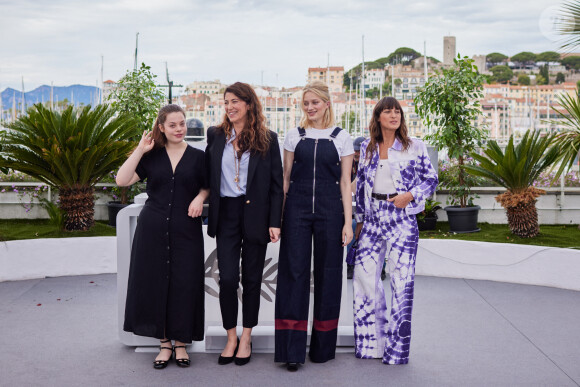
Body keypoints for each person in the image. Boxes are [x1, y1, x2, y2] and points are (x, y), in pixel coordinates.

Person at [118, 104, 208, 369]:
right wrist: (139, 149)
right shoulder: (151, 156)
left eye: (182, 124)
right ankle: (164, 344)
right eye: (173, 125)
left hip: (186, 228)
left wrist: (200, 198)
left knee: (184, 283)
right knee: (156, 284)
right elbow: (122, 180)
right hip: (153, 229)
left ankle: (182, 343)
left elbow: (209, 186)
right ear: (161, 128)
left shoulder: (198, 156)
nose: (180, 129)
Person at [275, 81, 354, 372]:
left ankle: (322, 349)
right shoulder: (293, 135)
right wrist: (278, 218)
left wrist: (348, 221)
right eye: (306, 103)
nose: (310, 108)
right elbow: (285, 179)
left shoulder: (342, 137)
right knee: (292, 275)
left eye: (315, 103)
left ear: (327, 104)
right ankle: (292, 351)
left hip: (331, 211)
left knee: (329, 276)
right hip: (295, 211)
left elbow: (346, 183)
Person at [352, 97, 438, 364]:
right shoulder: (367, 146)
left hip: (401, 216)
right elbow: (360, 185)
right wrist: (358, 222)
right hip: (372, 218)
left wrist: (409, 195)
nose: (393, 115)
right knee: (364, 278)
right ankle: (370, 344)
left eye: (397, 111)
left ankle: (396, 350)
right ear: (378, 117)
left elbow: (431, 178)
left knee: (401, 283)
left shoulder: (415, 146)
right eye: (387, 111)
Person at [204, 82, 283, 366]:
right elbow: (206, 176)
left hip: (256, 216)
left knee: (251, 279)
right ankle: (231, 336)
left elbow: (276, 186)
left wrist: (275, 222)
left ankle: (246, 336)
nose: (230, 106)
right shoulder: (215, 136)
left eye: (236, 101)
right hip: (225, 213)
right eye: (226, 102)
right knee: (227, 279)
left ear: (249, 104)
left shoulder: (268, 139)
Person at [347, 136, 365, 280]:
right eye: (355, 151)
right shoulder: (349, 163)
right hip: (352, 208)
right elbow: (351, 188)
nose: (357, 153)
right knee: (351, 227)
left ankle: (381, 269)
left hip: (368, 209)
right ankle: (350, 264)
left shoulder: (372, 163)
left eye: (360, 151)